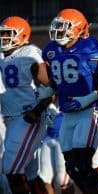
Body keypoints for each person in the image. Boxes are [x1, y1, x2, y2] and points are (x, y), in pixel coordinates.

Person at [42, 8, 98, 194]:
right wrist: (42, 101)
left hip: (90, 111)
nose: (59, 32)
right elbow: (56, 82)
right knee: (72, 168)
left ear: (77, 29)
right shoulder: (52, 50)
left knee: (84, 163)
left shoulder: (89, 47)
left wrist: (87, 99)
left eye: (64, 27)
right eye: (58, 27)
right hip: (68, 113)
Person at [0, 16, 50, 193]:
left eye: (8, 34)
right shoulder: (4, 56)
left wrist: (38, 110)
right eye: (2, 34)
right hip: (12, 120)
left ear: (22, 36)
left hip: (27, 118)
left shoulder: (28, 53)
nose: (4, 38)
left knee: (11, 170)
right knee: (31, 175)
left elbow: (53, 85)